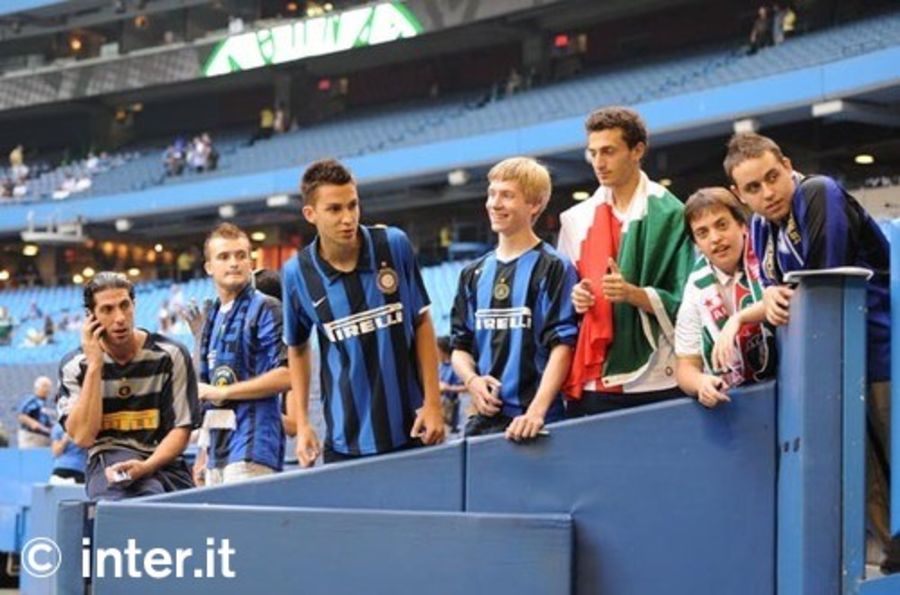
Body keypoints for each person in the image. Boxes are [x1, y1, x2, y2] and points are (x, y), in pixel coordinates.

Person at [724, 131, 897, 573]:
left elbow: (822, 279)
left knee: (892, 451)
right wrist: (768, 298)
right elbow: (775, 291)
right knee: (862, 467)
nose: (768, 193)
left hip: (880, 350)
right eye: (753, 188)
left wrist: (774, 297)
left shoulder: (818, 192)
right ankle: (894, 554)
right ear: (738, 195)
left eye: (772, 177)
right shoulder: (760, 227)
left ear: (787, 165)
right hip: (833, 363)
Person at [283, 158, 445, 466]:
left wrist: (433, 403)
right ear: (310, 214)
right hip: (345, 441)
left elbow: (421, 321)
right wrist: (303, 424)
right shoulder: (297, 274)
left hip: (414, 428)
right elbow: (298, 347)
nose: (348, 218)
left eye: (353, 205)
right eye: (334, 209)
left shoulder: (393, 245)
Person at [558, 106, 693, 416]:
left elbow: (688, 299)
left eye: (608, 151)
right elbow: (565, 297)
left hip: (656, 375)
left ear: (637, 150)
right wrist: (577, 297)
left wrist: (633, 294)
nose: (599, 163)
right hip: (594, 377)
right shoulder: (576, 219)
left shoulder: (671, 213)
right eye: (593, 153)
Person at [451, 157, 578, 440]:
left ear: (535, 204)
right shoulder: (472, 273)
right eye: (492, 193)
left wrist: (536, 412)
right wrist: (472, 381)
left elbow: (562, 347)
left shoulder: (554, 267)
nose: (495, 204)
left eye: (507, 195)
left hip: (537, 422)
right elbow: (460, 347)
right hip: (485, 423)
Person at [58, 272, 200, 501]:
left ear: (134, 305)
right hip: (110, 462)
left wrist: (147, 466)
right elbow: (83, 437)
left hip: (165, 462)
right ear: (90, 317)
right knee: (140, 505)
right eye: (107, 310)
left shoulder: (171, 354)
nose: (120, 318)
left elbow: (181, 428)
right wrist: (94, 366)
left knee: (193, 514)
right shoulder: (75, 366)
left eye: (125, 306)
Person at [194, 224, 290, 485]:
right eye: (224, 257)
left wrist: (224, 392)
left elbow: (288, 375)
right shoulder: (213, 315)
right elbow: (207, 390)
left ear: (250, 262)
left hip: (253, 445)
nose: (234, 263)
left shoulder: (267, 307)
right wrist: (203, 451)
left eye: (241, 255)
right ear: (209, 267)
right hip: (217, 451)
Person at [674, 187, 775, 408]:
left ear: (742, 225)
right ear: (696, 244)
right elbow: (686, 366)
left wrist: (738, 319)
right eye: (703, 233)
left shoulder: (767, 254)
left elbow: (787, 300)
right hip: (734, 402)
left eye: (722, 225)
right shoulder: (695, 287)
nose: (715, 238)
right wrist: (700, 383)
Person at [437, 336, 464, 434]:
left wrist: (448, 388)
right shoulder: (440, 366)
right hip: (442, 409)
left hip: (454, 409)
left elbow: (467, 387)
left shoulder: (456, 367)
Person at [17, 376, 54, 448]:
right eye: (45, 386)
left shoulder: (48, 403)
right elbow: (21, 416)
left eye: (49, 387)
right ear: (37, 387)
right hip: (32, 437)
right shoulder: (32, 400)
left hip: (46, 438)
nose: (48, 389)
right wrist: (34, 424)